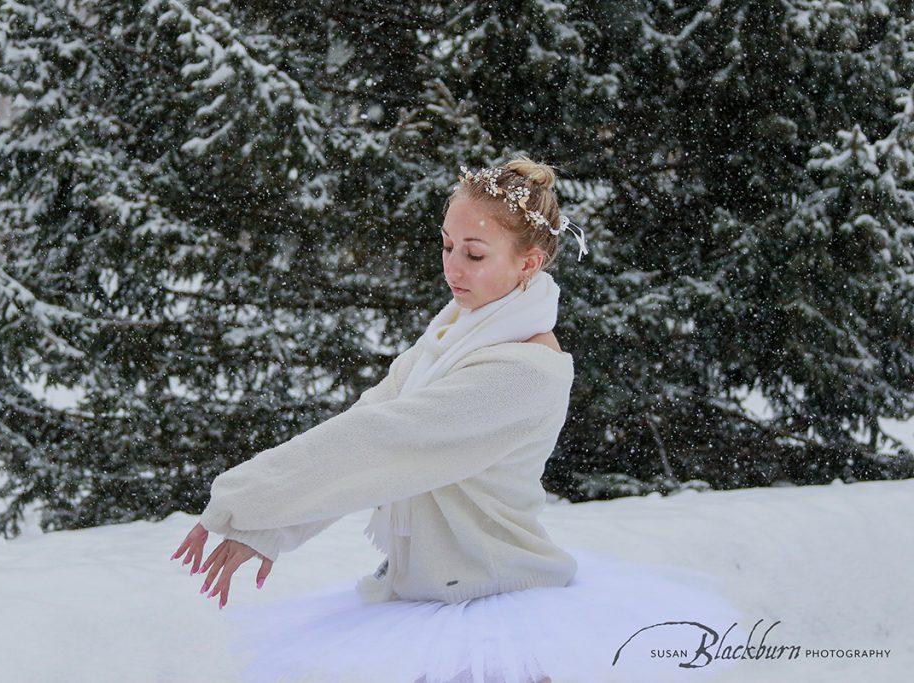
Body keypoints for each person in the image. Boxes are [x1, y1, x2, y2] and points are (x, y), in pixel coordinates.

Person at [170, 157, 739, 683]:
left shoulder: (522, 372)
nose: (451, 267)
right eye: (446, 246)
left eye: (473, 253)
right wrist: (268, 526)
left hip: (492, 615)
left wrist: (244, 499)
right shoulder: (450, 336)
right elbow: (370, 425)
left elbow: (385, 443)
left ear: (529, 263)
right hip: (429, 600)